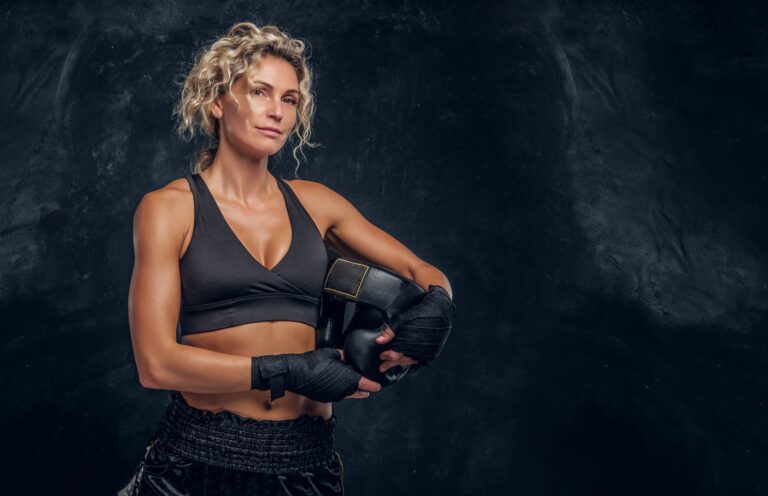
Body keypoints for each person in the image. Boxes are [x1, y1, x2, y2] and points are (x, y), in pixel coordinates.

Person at [119, 22, 455, 495]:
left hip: (306, 465)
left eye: (290, 99)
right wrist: (289, 370)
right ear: (217, 101)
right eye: (260, 92)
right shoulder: (170, 208)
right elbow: (155, 363)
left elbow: (425, 275)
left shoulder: (317, 204)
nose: (276, 111)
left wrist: (438, 310)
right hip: (197, 463)